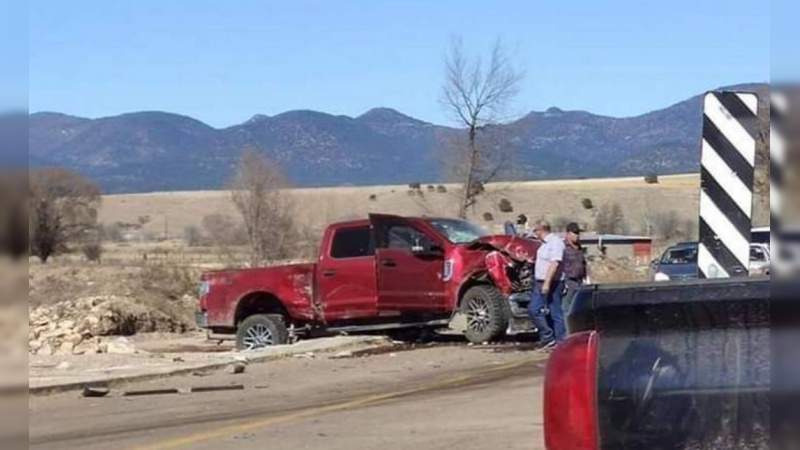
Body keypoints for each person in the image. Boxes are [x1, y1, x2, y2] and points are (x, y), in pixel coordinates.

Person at [528, 220, 566, 350]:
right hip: (540, 281)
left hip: (552, 282)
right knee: (535, 309)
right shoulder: (543, 245)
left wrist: (547, 283)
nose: (535, 234)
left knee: (555, 312)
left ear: (541, 230)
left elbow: (555, 263)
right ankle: (548, 338)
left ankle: (560, 341)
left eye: (536, 231)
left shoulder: (555, 243)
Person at [562, 222, 588, 315]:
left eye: (578, 233)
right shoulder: (563, 247)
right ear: (568, 234)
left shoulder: (579, 247)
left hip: (579, 281)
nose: (577, 235)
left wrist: (586, 277)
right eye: (575, 233)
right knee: (566, 307)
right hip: (569, 282)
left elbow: (583, 263)